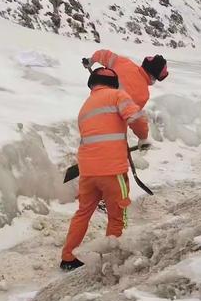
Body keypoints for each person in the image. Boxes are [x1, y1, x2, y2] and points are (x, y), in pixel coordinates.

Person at [60, 67, 149, 271]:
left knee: (83, 213)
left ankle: (67, 257)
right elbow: (136, 118)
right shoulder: (117, 95)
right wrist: (143, 138)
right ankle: (113, 261)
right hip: (111, 171)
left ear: (92, 84)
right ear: (114, 83)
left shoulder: (86, 107)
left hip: (88, 171)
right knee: (117, 215)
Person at [82, 50, 169, 109]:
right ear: (154, 77)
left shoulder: (125, 62)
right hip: (108, 120)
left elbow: (102, 54)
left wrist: (90, 61)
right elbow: (131, 116)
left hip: (91, 105)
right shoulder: (144, 95)